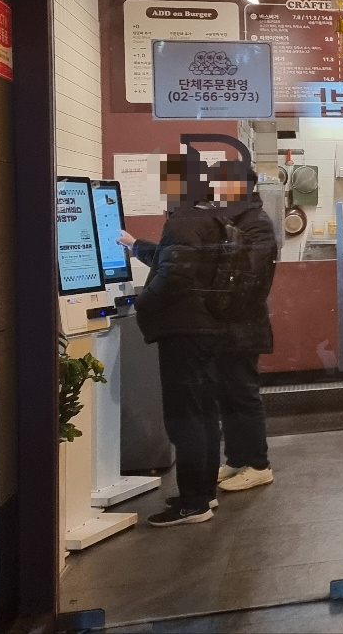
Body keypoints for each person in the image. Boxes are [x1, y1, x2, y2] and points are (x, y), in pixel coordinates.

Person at [120, 153, 227, 526]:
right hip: (207, 328)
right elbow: (177, 260)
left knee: (185, 417)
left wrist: (142, 303)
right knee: (203, 413)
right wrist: (136, 245)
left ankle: (193, 502)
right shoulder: (209, 218)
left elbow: (176, 274)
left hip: (185, 331)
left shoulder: (184, 222)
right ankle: (204, 493)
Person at [209, 160, 278, 493]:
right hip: (229, 325)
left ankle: (259, 464)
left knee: (243, 394)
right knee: (228, 396)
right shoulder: (236, 219)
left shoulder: (256, 224)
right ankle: (237, 458)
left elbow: (247, 275)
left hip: (243, 324)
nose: (214, 191)